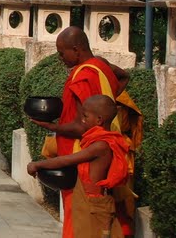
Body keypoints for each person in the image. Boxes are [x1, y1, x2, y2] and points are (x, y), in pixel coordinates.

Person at [30, 26, 135, 238]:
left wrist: (53, 126)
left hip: (80, 159)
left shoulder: (84, 75)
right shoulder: (101, 65)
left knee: (78, 218)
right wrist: (107, 102)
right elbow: (123, 76)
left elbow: (80, 126)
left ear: (76, 50)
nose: (60, 58)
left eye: (62, 53)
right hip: (108, 155)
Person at [28, 95, 130, 238]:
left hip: (93, 204)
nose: (81, 120)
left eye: (85, 116)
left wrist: (36, 164)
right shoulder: (95, 139)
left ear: (99, 120)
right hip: (87, 201)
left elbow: (66, 160)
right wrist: (53, 127)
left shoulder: (100, 145)